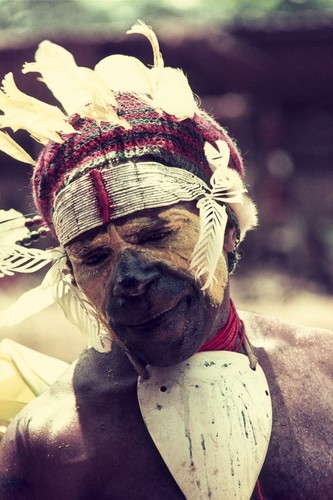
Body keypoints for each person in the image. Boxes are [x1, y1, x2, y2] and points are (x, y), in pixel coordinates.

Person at [0, 22, 332, 500]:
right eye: (95, 258)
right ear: (72, 280)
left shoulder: (326, 371)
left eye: (157, 234)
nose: (131, 279)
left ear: (228, 230)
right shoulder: (50, 443)